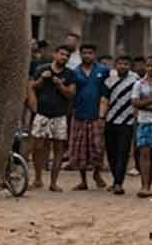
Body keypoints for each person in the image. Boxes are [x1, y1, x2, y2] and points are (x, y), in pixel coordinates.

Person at [28, 44, 74, 191]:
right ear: (55, 54)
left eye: (67, 56)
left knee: (59, 149)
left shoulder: (69, 74)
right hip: (42, 114)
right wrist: (42, 79)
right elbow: (31, 87)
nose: (64, 57)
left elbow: (71, 94)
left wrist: (60, 85)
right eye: (62, 54)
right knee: (37, 147)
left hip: (60, 115)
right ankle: (38, 179)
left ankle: (54, 183)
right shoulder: (42, 69)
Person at [69, 44, 110, 190]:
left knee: (97, 147)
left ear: (95, 54)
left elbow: (107, 93)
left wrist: (102, 114)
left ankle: (97, 174)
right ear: (80, 54)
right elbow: (72, 93)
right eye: (84, 53)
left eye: (90, 53)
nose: (87, 55)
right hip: (79, 114)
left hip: (96, 115)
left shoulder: (103, 71)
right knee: (80, 149)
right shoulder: (75, 72)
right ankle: (83, 181)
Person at [103, 55, 138, 195]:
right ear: (115, 65)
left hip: (127, 122)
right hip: (110, 120)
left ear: (130, 66)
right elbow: (104, 99)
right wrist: (102, 117)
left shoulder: (135, 80)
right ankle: (115, 180)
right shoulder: (109, 80)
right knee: (111, 152)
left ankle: (118, 183)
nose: (123, 66)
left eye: (126, 64)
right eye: (120, 64)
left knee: (123, 152)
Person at [132, 57, 152, 199]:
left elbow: (140, 103)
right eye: (149, 65)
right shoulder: (139, 84)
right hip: (144, 123)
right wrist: (150, 100)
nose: (151, 68)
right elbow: (135, 103)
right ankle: (145, 186)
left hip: (145, 118)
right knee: (144, 155)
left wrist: (144, 104)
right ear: (145, 67)